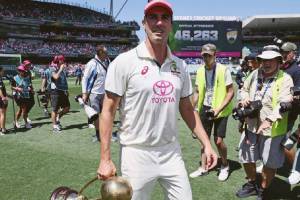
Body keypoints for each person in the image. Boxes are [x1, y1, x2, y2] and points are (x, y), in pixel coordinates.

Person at [97, 1, 218, 200]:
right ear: (144, 23)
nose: (159, 23)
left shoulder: (180, 65)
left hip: (171, 152)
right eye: (153, 17)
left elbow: (187, 109)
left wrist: (206, 143)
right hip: (136, 153)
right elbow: (108, 111)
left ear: (171, 25)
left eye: (164, 18)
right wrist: (105, 158)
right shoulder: (124, 62)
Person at [236, 45, 294, 200]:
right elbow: (243, 89)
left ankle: (263, 189)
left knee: (269, 163)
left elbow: (285, 102)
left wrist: (269, 119)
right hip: (251, 124)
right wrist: (244, 97)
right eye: (263, 60)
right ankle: (252, 183)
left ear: (278, 61)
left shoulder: (285, 78)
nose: (266, 63)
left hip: (272, 129)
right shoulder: (255, 73)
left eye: (271, 60)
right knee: (246, 157)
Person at [189, 43, 234, 181]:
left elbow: (230, 92)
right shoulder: (200, 70)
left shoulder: (223, 69)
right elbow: (197, 92)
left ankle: (225, 165)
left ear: (215, 55)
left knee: (219, 141)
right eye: (204, 55)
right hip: (205, 108)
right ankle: (203, 168)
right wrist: (192, 108)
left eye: (209, 55)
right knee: (204, 140)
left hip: (221, 110)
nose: (206, 57)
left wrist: (218, 109)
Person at [81, 45, 117, 142]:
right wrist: (84, 93)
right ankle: (98, 135)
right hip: (94, 93)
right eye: (105, 52)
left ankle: (108, 134)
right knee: (96, 115)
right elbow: (85, 78)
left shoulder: (107, 61)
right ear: (100, 53)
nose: (107, 54)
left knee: (107, 114)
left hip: (106, 93)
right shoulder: (92, 64)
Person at [280, 42, 300, 184]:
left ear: (294, 53)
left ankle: (294, 170)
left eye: (287, 52)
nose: (284, 55)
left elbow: (297, 95)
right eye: (283, 52)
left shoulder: (297, 71)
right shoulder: (282, 67)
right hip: (279, 112)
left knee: (285, 142)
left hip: (290, 113)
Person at [48, 55, 70, 133]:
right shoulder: (52, 68)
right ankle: (54, 126)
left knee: (67, 107)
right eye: (62, 60)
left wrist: (66, 90)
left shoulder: (62, 68)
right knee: (55, 109)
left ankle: (57, 118)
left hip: (63, 91)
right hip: (55, 91)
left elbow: (64, 80)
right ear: (59, 60)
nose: (64, 62)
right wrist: (60, 69)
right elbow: (55, 77)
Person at [0, 66, 8, 135]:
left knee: (1, 114)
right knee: (3, 114)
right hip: (1, 99)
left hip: (2, 98)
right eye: (2, 71)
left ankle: (2, 128)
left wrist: (9, 96)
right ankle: (3, 129)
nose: (3, 72)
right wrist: (3, 97)